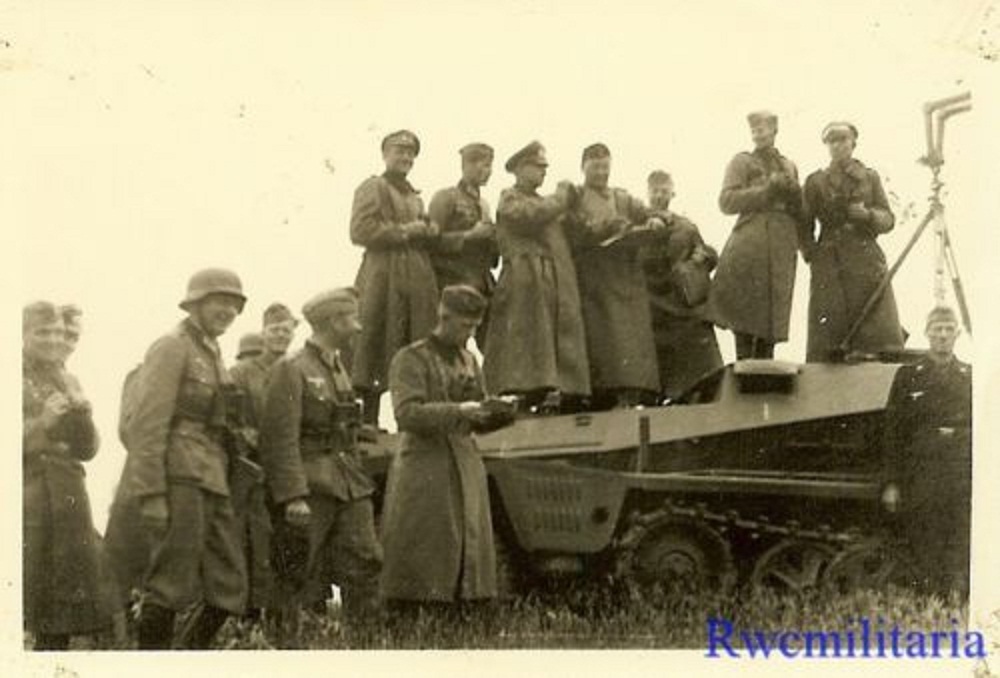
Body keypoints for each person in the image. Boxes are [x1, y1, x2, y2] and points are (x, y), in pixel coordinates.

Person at [122, 268, 248, 649]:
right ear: (196, 302)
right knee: (169, 584)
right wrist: (151, 494)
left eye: (233, 304)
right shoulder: (172, 346)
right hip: (178, 476)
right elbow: (147, 424)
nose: (227, 309)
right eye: (218, 300)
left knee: (229, 586)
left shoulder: (211, 352)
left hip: (212, 475)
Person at [381, 285, 513, 612]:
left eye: (474, 328)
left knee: (467, 540)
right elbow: (407, 414)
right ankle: (417, 612)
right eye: (465, 326)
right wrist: (459, 411)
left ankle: (464, 606)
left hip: (465, 462)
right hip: (426, 466)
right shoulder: (410, 358)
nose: (470, 335)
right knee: (426, 543)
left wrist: (501, 413)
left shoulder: (469, 359)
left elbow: (477, 413)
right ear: (444, 316)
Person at [259, 288, 381, 638]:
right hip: (310, 484)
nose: (357, 327)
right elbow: (278, 438)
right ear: (333, 321)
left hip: (348, 480)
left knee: (365, 560)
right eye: (352, 319)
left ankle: (368, 647)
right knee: (297, 570)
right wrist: (292, 495)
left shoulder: (338, 367)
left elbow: (342, 422)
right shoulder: (292, 369)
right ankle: (281, 648)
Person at [23, 302, 111, 650]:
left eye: (59, 332)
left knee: (59, 609)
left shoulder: (67, 377)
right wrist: (40, 424)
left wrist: (85, 417)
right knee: (28, 595)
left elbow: (87, 450)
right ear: (21, 334)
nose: (53, 339)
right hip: (28, 495)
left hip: (68, 497)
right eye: (42, 332)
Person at [482, 141, 590, 411]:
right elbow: (527, 216)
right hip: (523, 278)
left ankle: (548, 391)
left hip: (548, 279)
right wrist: (560, 198)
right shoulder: (510, 196)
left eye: (545, 167)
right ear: (520, 169)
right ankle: (521, 393)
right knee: (524, 338)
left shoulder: (548, 202)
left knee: (546, 339)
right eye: (537, 167)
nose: (543, 172)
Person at [350, 129, 439, 426]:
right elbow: (360, 230)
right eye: (399, 151)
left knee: (413, 347)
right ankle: (368, 422)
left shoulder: (414, 196)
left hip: (415, 281)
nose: (406, 157)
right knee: (375, 342)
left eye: (411, 153)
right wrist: (405, 232)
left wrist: (428, 231)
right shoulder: (373, 187)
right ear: (385, 154)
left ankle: (411, 423)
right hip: (383, 277)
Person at [885, 306, 971, 596]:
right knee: (926, 537)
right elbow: (894, 432)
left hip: (961, 475)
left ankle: (953, 600)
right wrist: (892, 483)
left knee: (959, 537)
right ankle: (929, 599)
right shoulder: (909, 376)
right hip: (923, 474)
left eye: (949, 329)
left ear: (957, 334)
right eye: (937, 329)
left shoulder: (969, 376)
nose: (943, 335)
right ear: (927, 333)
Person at [799, 122, 904, 361]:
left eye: (842, 140)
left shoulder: (870, 177)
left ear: (853, 143)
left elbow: (888, 219)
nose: (837, 146)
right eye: (831, 141)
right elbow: (804, 224)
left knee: (875, 328)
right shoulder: (815, 181)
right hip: (830, 262)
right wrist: (812, 254)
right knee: (830, 331)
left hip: (865, 258)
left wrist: (868, 215)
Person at [566, 143, 660, 408]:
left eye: (605, 167)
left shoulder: (622, 198)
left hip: (625, 278)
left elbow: (649, 212)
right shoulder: (575, 196)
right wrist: (605, 227)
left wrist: (654, 220)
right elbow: (572, 227)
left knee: (630, 340)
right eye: (595, 167)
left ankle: (631, 394)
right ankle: (599, 396)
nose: (601, 173)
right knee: (600, 340)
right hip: (593, 279)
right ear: (582, 167)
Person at [708, 110, 802, 359]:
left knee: (771, 322)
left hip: (781, 247)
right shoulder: (742, 162)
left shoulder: (789, 165)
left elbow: (800, 212)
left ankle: (765, 385)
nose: (758, 133)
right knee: (747, 318)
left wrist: (795, 195)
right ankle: (745, 384)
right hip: (753, 245)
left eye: (763, 128)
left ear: (774, 130)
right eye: (754, 129)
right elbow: (726, 201)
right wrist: (766, 190)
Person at [228, 303, 299, 621]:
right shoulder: (242, 372)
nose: (281, 336)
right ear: (263, 332)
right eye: (275, 330)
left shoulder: (297, 369)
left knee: (288, 542)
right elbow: (227, 416)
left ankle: (284, 616)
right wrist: (244, 433)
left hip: (285, 468)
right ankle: (248, 615)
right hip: (252, 470)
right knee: (252, 542)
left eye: (286, 330)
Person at [639, 171, 723, 400]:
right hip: (651, 299)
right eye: (655, 191)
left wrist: (700, 257)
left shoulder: (686, 226)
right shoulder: (639, 222)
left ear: (672, 193)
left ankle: (700, 391)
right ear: (647, 193)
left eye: (664, 191)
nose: (659, 196)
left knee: (699, 330)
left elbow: (706, 253)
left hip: (680, 298)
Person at [427, 142, 499, 351]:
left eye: (488, 166)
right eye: (479, 164)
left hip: (483, 282)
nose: (485, 171)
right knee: (453, 343)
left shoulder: (484, 205)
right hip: (453, 281)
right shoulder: (446, 197)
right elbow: (430, 242)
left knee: (494, 343)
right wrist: (469, 236)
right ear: (465, 165)